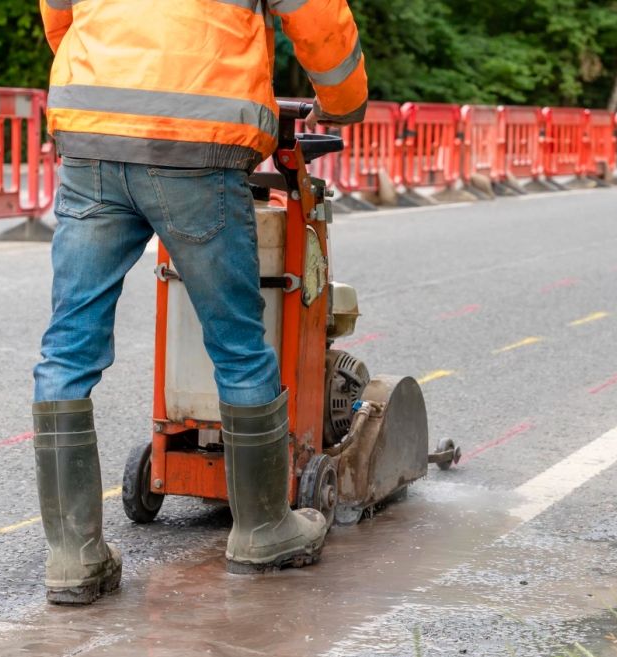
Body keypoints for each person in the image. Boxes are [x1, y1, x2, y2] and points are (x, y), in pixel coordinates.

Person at [34, 0, 368, 605]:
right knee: (238, 342)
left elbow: (60, 17)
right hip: (196, 144)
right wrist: (345, 103)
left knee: (67, 346)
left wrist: (113, 74)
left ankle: (72, 557)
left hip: (90, 136)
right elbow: (318, 20)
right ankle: (263, 530)